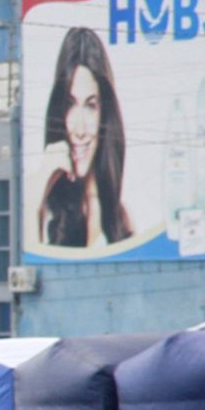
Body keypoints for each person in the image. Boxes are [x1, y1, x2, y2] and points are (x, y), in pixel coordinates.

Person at [36, 27, 132, 249]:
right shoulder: (44, 210)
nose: (79, 130)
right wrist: (38, 188)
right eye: (70, 105)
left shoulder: (122, 217)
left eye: (90, 106)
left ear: (104, 113)